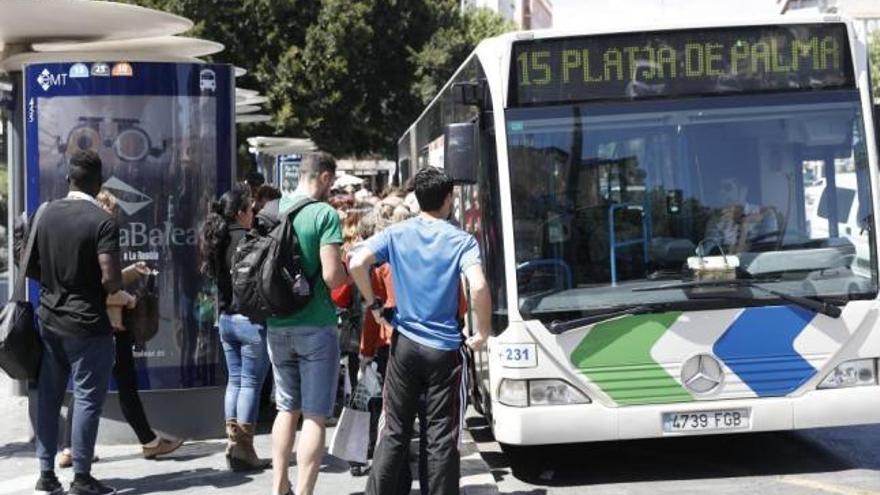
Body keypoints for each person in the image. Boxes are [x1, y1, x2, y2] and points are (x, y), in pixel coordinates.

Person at [349, 166, 492, 495]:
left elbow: (357, 262)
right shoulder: (461, 240)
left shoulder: (397, 234)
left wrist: (373, 305)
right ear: (448, 200)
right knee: (441, 436)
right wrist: (482, 332)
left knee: (394, 431)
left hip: (404, 346)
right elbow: (479, 285)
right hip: (444, 350)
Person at [55, 192, 183, 468]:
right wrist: (129, 298)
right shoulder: (99, 237)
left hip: (97, 326)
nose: (114, 220)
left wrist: (131, 272)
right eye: (112, 214)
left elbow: (101, 281)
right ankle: (145, 443)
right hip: (110, 326)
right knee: (118, 387)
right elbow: (101, 288)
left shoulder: (85, 238)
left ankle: (70, 449)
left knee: (87, 387)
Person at [29, 150, 123, 495]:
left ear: (69, 179)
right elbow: (111, 280)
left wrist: (58, 284)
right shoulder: (102, 221)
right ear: (99, 183)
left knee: (49, 396)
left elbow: (31, 265)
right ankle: (82, 477)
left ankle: (46, 474)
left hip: (49, 320)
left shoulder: (45, 213)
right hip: (88, 325)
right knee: (86, 399)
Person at [268, 152, 348, 495]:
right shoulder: (324, 214)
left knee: (286, 408)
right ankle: (304, 492)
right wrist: (348, 268)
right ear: (326, 177)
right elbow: (332, 277)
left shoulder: (270, 211)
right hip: (316, 324)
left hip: (276, 323)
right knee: (314, 415)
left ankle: (277, 487)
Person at [200, 186, 272, 471]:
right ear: (241, 212)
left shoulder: (217, 238)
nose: (253, 214)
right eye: (251, 209)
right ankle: (245, 447)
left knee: (236, 381)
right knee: (251, 384)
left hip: (226, 320)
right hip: (251, 320)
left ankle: (233, 443)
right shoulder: (250, 240)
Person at [704, 175, 780, 253]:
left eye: (728, 188)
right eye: (719, 188)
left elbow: (768, 251)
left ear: (743, 191)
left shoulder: (766, 215)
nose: (722, 192)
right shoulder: (716, 219)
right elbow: (709, 252)